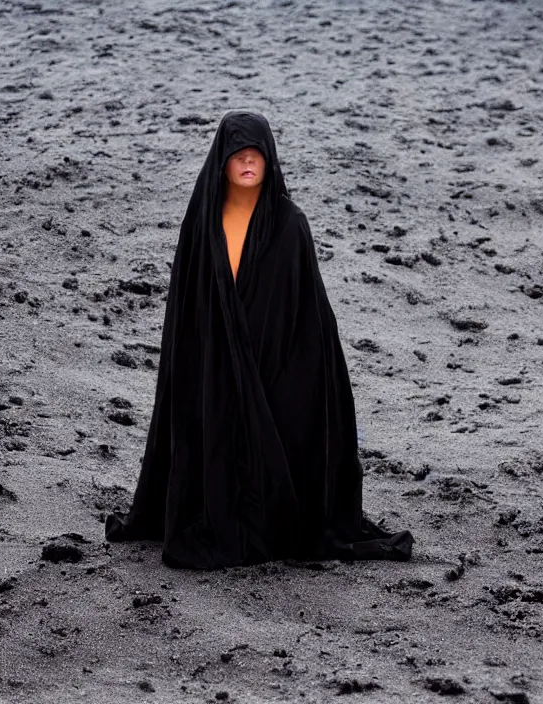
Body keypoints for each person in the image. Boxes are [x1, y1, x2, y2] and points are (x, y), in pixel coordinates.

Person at [105, 110, 415, 569]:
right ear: (222, 161)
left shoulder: (290, 224)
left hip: (276, 360)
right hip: (214, 361)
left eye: (257, 154)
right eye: (238, 153)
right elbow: (186, 312)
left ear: (270, 160)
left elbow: (311, 316)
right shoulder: (202, 224)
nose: (248, 161)